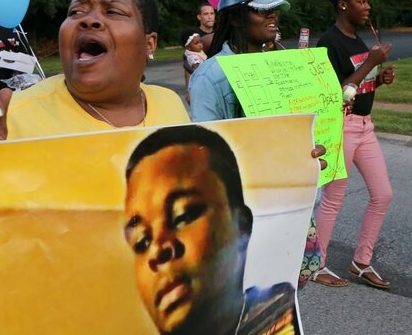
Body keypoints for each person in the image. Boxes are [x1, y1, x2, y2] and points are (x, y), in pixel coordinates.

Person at [0, 0, 190, 323]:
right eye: (77, 12)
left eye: (112, 11)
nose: (90, 21)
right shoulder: (10, 121)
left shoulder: (170, 105)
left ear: (149, 44)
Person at [124, 125, 299, 335]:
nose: (158, 250)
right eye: (141, 241)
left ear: (242, 225)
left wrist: (304, 165)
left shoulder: (279, 320)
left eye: (183, 216)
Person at [310, 0, 396, 289]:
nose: (367, 7)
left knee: (383, 193)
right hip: (342, 126)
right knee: (334, 197)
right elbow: (339, 92)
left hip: (365, 125)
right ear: (342, 5)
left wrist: (379, 78)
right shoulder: (329, 42)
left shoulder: (358, 41)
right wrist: (369, 62)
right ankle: (315, 264)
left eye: (367, 1)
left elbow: (360, 85)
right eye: (361, 1)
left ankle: (361, 261)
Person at [188, 0, 290, 121]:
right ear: (236, 19)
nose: (272, 15)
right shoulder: (208, 77)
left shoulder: (281, 67)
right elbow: (207, 139)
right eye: (261, 10)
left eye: (273, 9)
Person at [180, 29, 206, 105]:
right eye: (196, 43)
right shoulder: (194, 57)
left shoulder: (197, 53)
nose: (200, 45)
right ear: (188, 47)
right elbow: (196, 71)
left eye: (200, 42)